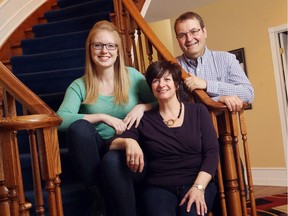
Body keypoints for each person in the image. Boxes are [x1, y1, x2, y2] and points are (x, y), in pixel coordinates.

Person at [56, 20, 156, 215]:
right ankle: (99, 196)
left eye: (111, 46)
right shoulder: (80, 85)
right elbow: (60, 119)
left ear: (118, 51)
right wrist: (101, 117)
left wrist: (143, 106)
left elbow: (163, 102)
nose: (104, 51)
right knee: (79, 128)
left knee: (113, 161)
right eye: (98, 45)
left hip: (131, 150)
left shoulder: (133, 76)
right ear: (90, 49)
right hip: (96, 154)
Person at [108, 60, 219, 216]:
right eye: (155, 80)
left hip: (196, 182)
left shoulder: (198, 111)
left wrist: (198, 188)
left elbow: (212, 153)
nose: (161, 84)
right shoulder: (143, 118)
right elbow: (111, 144)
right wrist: (129, 141)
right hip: (159, 187)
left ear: (176, 85)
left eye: (167, 79)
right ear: (151, 87)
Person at [174, 11, 254, 112]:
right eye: (182, 35)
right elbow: (176, 107)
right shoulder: (173, 66)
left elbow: (248, 93)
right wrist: (218, 100)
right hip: (189, 127)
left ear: (204, 32)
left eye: (194, 31)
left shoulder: (227, 59)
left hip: (225, 127)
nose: (189, 38)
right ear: (178, 40)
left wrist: (207, 85)